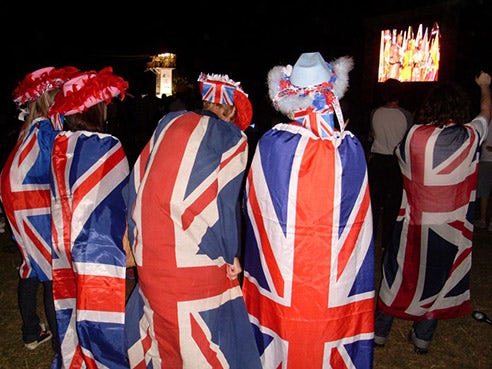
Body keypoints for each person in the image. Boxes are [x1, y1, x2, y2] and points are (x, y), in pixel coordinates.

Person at [241, 52, 375, 368]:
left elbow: (254, 211)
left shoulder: (271, 143)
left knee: (283, 340)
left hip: (281, 284)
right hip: (332, 288)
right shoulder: (349, 149)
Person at [124, 73, 262, 368]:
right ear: (231, 110)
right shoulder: (233, 138)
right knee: (207, 336)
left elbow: (137, 182)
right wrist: (230, 255)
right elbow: (225, 205)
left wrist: (133, 233)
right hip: (194, 258)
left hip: (151, 249)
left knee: (164, 331)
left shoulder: (168, 122)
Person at [374, 71, 491, 354]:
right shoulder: (468, 137)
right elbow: (486, 112)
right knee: (437, 280)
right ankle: (422, 339)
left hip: (414, 223)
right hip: (449, 228)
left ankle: (380, 333)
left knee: (396, 275)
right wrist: (485, 87)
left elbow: (402, 162)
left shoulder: (414, 135)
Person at [47, 67, 131, 368]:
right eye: (104, 103)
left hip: (63, 242)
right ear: (95, 108)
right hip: (99, 247)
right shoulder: (108, 147)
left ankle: (74, 359)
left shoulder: (60, 145)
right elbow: (123, 200)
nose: (108, 108)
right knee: (100, 314)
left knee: (70, 306)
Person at [0, 66, 80, 353]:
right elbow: (59, 171)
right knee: (51, 269)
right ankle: (63, 346)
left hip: (18, 201)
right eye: (57, 95)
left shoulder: (29, 127)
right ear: (48, 98)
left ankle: (31, 332)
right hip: (31, 201)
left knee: (31, 266)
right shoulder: (46, 129)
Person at [368, 78, 413, 253]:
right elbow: (407, 141)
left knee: (374, 203)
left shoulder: (375, 113)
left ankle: (369, 240)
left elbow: (372, 135)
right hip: (396, 162)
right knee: (393, 204)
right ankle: (387, 243)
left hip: (377, 161)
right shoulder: (406, 115)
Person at [474, 117, 492, 231]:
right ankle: (484, 220)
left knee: (484, 192)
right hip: (486, 160)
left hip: (487, 161)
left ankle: (483, 219)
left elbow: (488, 146)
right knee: (485, 192)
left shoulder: (488, 122)